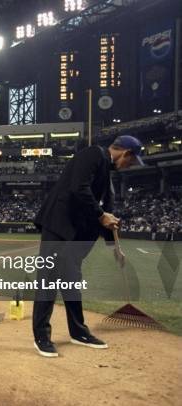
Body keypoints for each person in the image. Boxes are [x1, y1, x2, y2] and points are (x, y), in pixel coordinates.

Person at [32, 135, 143, 357]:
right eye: (130, 161)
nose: (128, 166)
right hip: (59, 225)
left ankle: (78, 332)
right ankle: (41, 336)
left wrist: (114, 249)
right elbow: (78, 188)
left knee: (71, 282)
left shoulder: (106, 174)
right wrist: (102, 215)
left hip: (75, 234)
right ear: (126, 153)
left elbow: (107, 215)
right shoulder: (94, 154)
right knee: (48, 278)